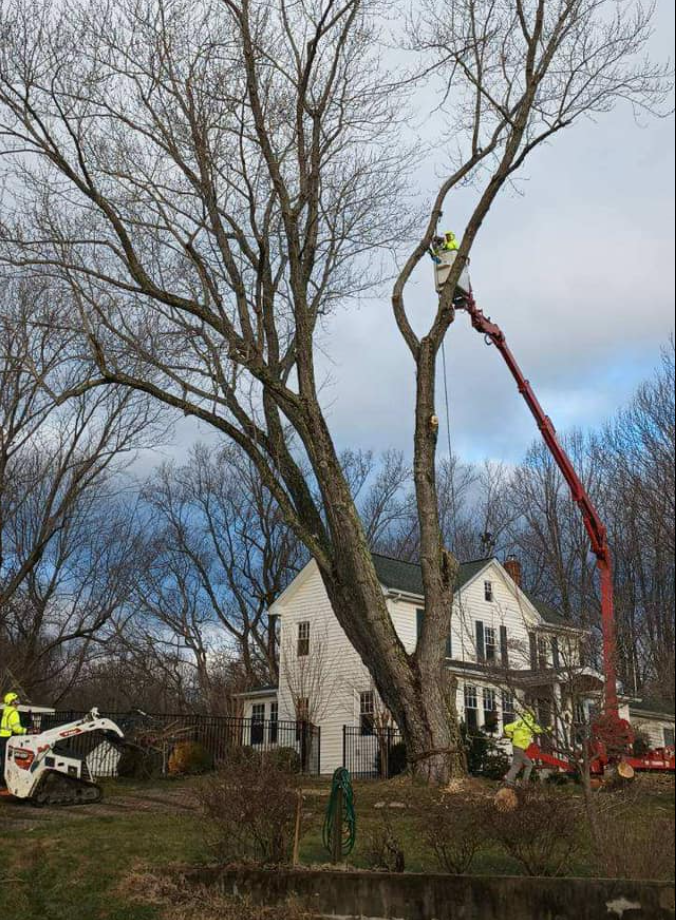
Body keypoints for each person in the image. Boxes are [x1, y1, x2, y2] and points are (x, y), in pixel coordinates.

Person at [503, 708, 547, 787]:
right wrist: (550, 728)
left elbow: (506, 728)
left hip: (516, 747)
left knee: (516, 765)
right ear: (531, 716)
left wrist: (511, 736)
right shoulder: (531, 726)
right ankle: (523, 783)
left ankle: (509, 781)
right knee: (528, 765)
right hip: (520, 749)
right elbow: (540, 729)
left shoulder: (518, 723)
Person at [1, 692, 27, 785]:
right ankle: (3, 782)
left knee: (2, 760)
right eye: (16, 700)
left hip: (2, 737)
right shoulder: (14, 713)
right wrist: (26, 731)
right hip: (7, 739)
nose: (18, 702)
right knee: (6, 761)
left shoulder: (6, 710)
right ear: (12, 702)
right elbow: (16, 728)